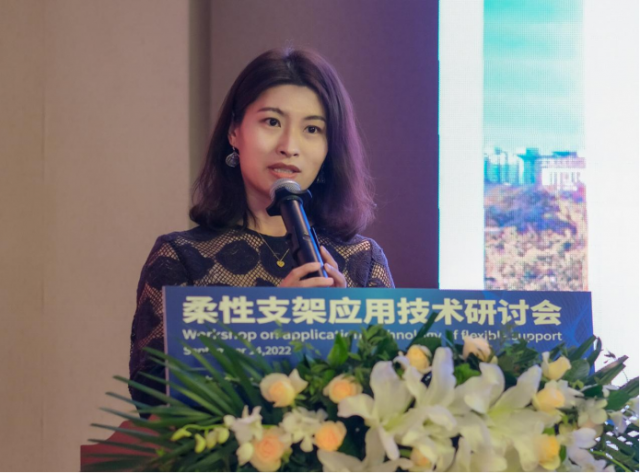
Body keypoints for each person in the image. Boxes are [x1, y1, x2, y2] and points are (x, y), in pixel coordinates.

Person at [128, 47, 394, 407]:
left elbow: (391, 395)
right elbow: (155, 402)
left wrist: (343, 330)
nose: (289, 146)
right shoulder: (180, 258)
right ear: (234, 131)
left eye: (312, 129)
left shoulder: (363, 261)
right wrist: (271, 327)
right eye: (272, 122)